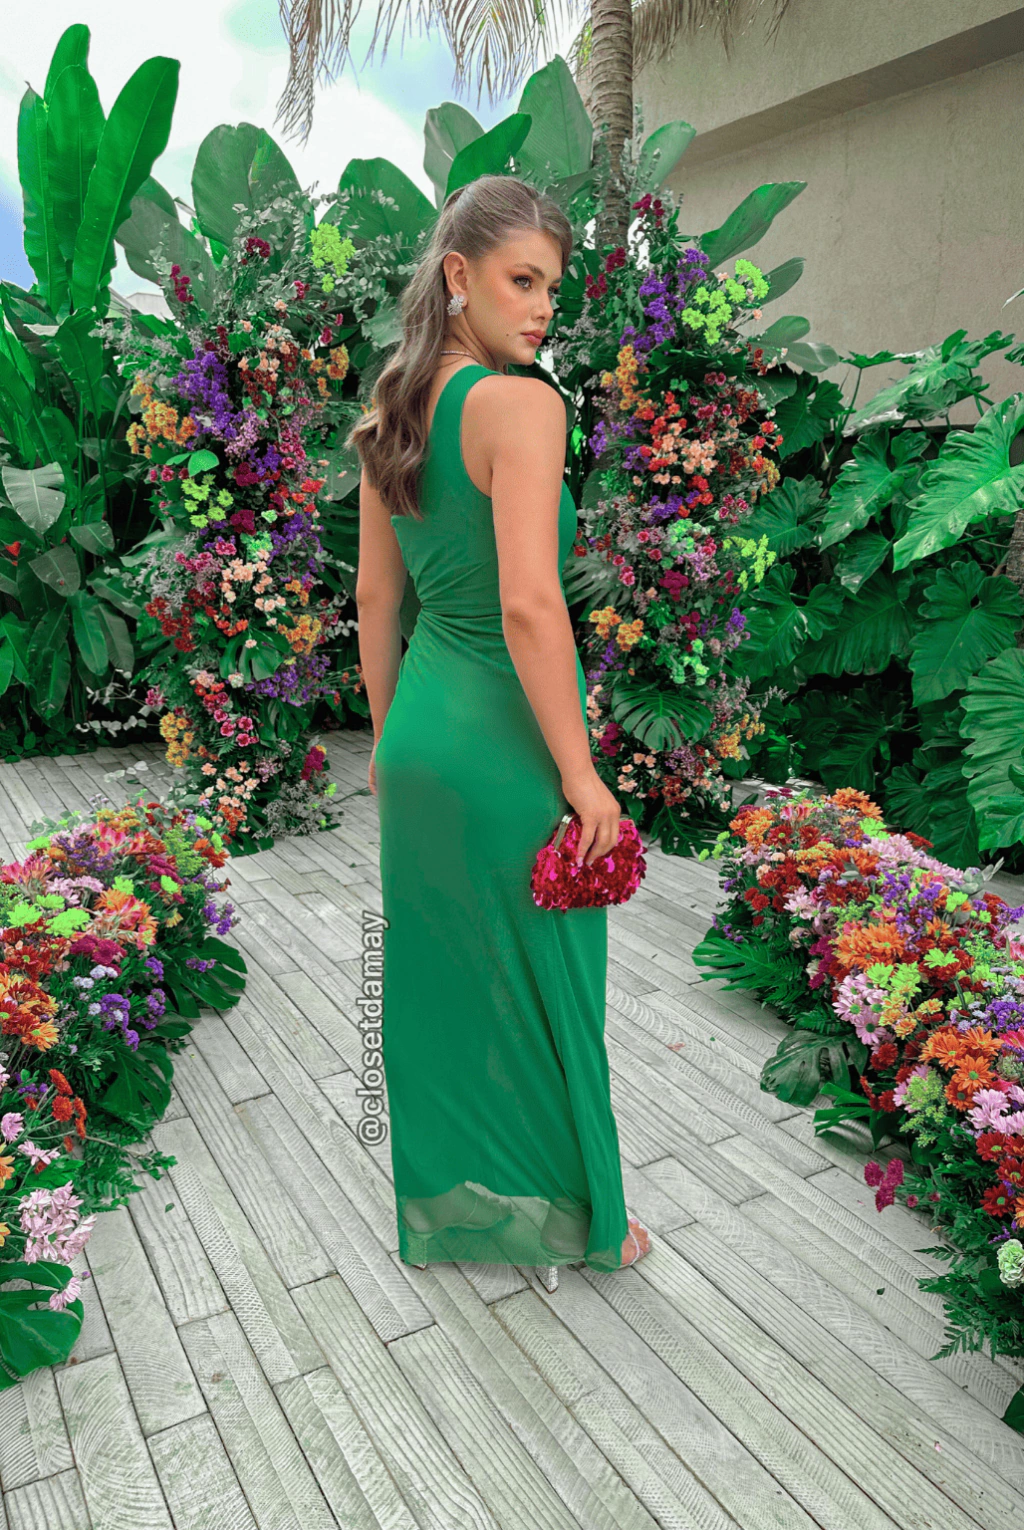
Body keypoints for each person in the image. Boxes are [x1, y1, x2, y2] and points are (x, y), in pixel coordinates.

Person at [351, 173, 652, 1283]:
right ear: (458, 275)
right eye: (522, 281)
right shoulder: (522, 407)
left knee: (444, 984)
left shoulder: (391, 417)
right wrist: (582, 775)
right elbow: (530, 604)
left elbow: (377, 600)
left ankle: (459, 1206)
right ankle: (591, 1220)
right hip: (504, 742)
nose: (542, 309)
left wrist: (386, 741)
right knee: (553, 981)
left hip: (421, 739)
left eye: (551, 289)